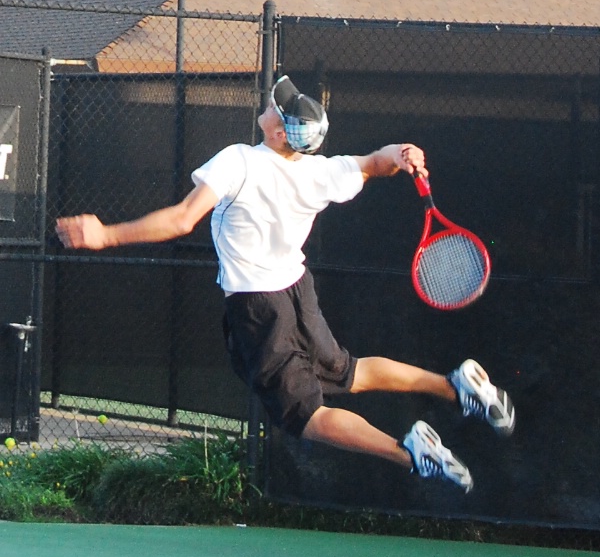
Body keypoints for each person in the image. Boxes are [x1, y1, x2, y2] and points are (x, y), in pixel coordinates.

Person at [56, 75, 515, 494]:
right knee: (349, 373)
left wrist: (105, 235)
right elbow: (377, 163)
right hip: (299, 294)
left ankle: (409, 453)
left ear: (279, 133)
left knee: (306, 417)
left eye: (280, 109)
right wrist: (401, 153)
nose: (273, 106)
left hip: (260, 310)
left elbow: (181, 219)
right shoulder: (320, 172)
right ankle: (454, 386)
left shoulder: (239, 161)